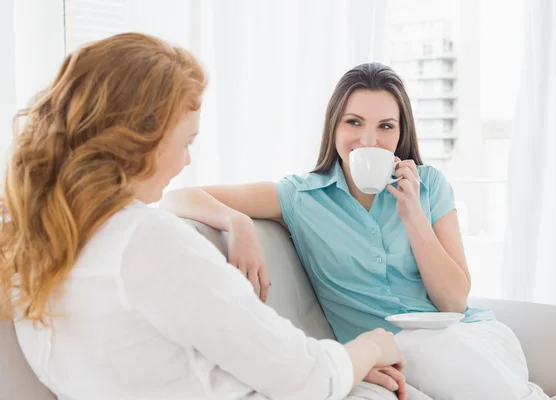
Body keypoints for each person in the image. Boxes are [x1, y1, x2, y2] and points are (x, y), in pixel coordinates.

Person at [0, 34, 408, 400]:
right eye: (186, 142)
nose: (186, 160)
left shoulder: (34, 248)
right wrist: (372, 345)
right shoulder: (144, 240)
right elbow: (307, 379)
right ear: (139, 143)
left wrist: (343, 364)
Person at [161, 62, 556, 400]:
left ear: (401, 132)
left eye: (385, 126)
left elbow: (453, 301)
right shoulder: (300, 196)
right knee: (412, 347)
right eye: (354, 122)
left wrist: (412, 213)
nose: (368, 140)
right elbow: (178, 196)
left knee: (430, 346)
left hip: (477, 341)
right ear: (334, 126)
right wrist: (236, 222)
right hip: (396, 352)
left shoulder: (429, 187)